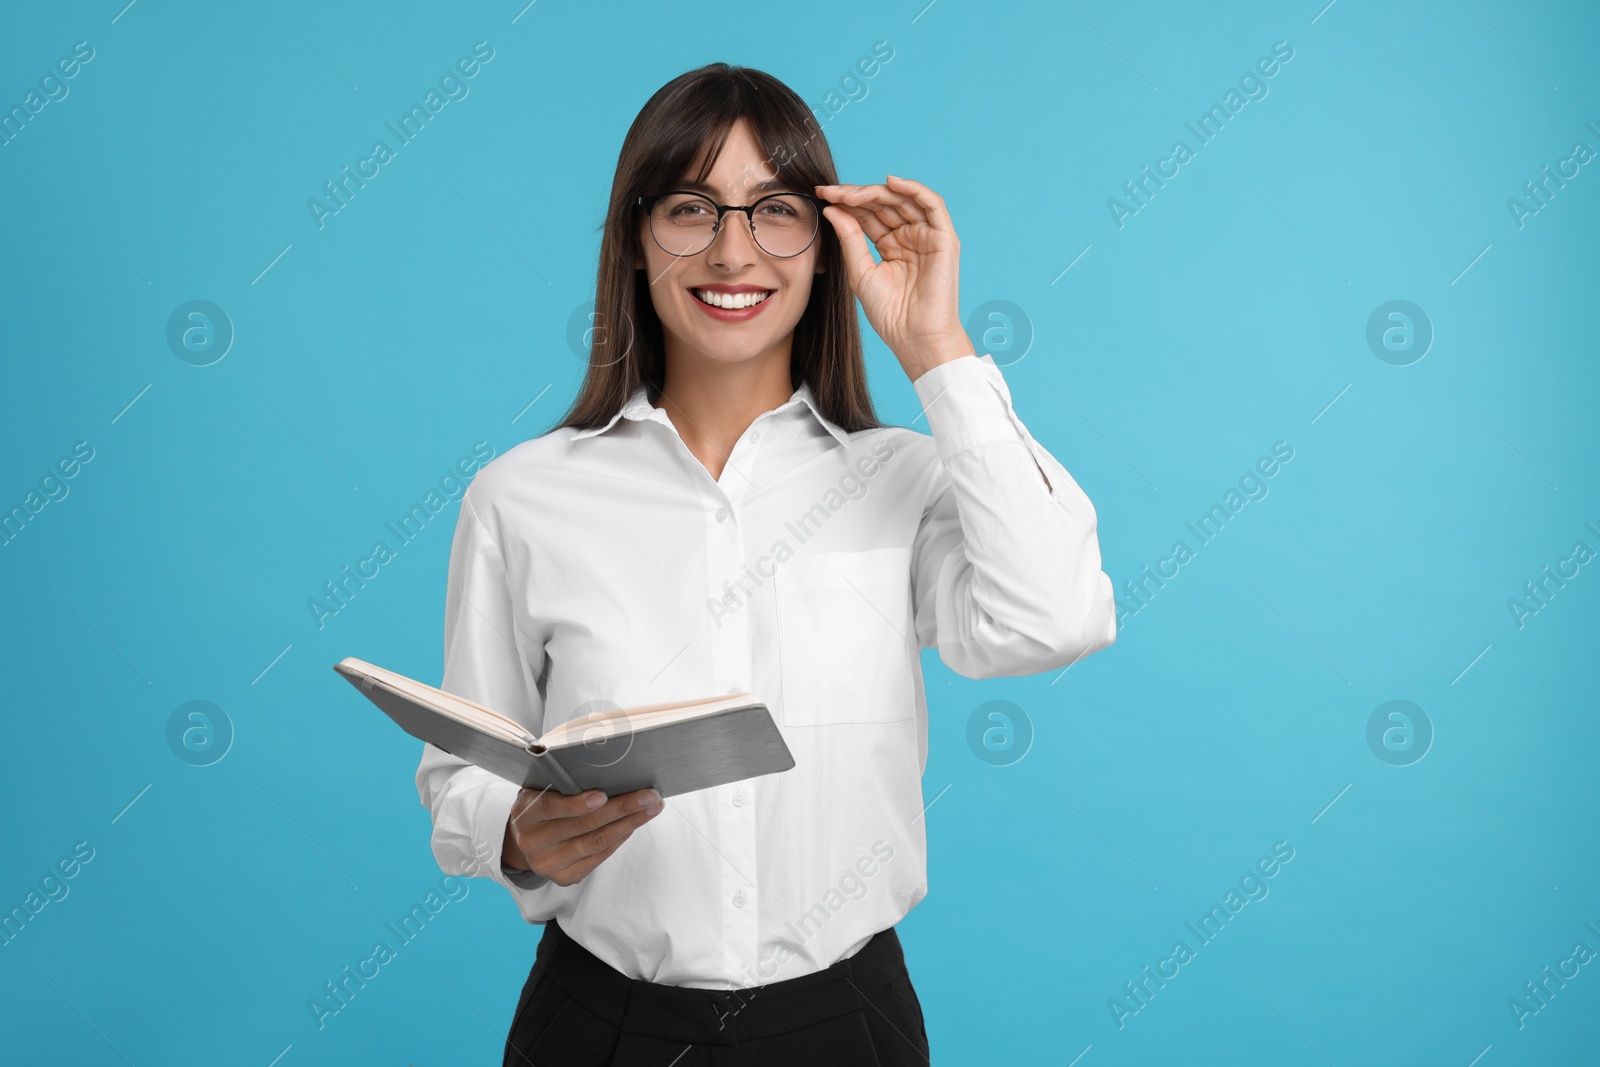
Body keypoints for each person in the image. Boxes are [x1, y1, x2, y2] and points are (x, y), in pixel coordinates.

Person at [415, 62, 1117, 1066]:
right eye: (691, 208)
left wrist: (938, 350)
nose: (732, 250)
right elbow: (459, 781)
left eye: (774, 210)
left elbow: (1054, 618)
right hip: (598, 1022)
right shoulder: (519, 497)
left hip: (842, 1024)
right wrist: (515, 832)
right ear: (635, 236)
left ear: (826, 249)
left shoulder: (902, 479)